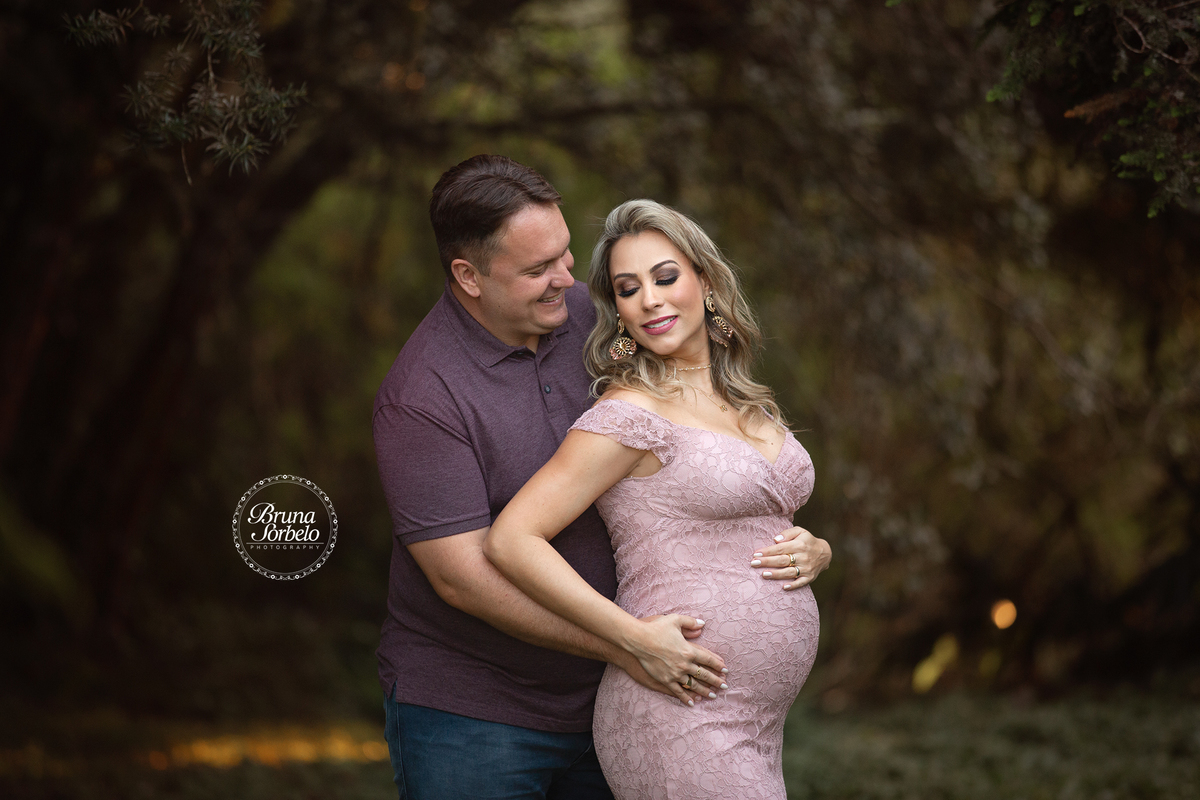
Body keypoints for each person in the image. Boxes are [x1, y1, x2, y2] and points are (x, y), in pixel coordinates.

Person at [374, 156, 831, 800]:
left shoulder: (593, 322)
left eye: (565, 253)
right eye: (538, 269)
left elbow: (699, 452)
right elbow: (463, 577)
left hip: (617, 691)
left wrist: (800, 540)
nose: (567, 279)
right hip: (476, 713)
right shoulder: (423, 396)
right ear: (468, 276)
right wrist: (625, 641)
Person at [485, 199, 822, 799]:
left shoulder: (749, 403)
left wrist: (817, 549)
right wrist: (631, 638)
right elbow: (512, 539)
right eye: (628, 288)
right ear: (617, 311)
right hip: (678, 713)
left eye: (665, 278)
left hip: (756, 726)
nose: (649, 299)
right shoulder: (630, 413)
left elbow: (754, 523)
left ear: (706, 282)